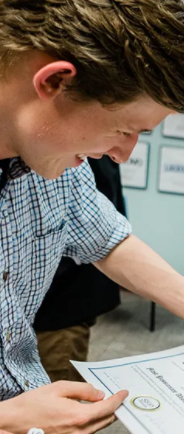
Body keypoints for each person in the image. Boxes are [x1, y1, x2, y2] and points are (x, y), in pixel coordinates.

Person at [0, 0, 184, 434]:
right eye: (123, 129)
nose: (122, 155)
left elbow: (108, 238)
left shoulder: (52, 162)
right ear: (55, 81)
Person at [34, 156, 126, 390]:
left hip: (61, 303)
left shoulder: (89, 158)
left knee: (57, 389)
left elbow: (104, 235)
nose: (124, 152)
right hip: (29, 312)